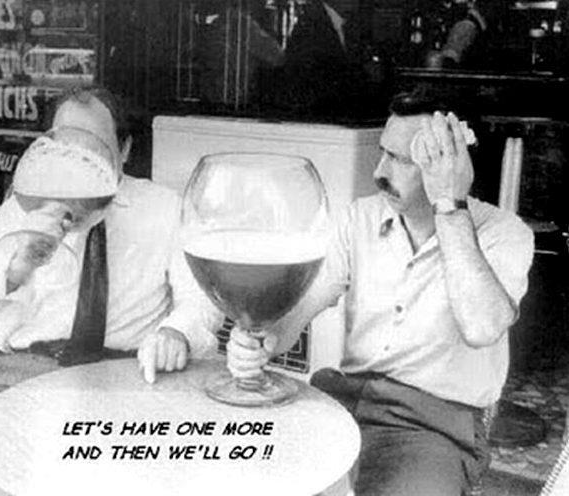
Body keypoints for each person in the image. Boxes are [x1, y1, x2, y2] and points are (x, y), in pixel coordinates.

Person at [0, 86, 220, 495]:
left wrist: (176, 332)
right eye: (64, 145)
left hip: (126, 381)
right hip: (23, 378)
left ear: (123, 150)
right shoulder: (20, 209)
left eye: (94, 147)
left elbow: (201, 299)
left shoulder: (165, 207)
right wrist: (16, 267)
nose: (78, 158)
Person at [227, 88, 535, 495]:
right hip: (341, 401)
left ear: (453, 161)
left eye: (402, 160)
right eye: (383, 152)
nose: (379, 171)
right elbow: (297, 313)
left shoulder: (504, 233)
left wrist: (449, 202)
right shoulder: (359, 218)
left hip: (432, 427)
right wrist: (262, 339)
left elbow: (482, 327)